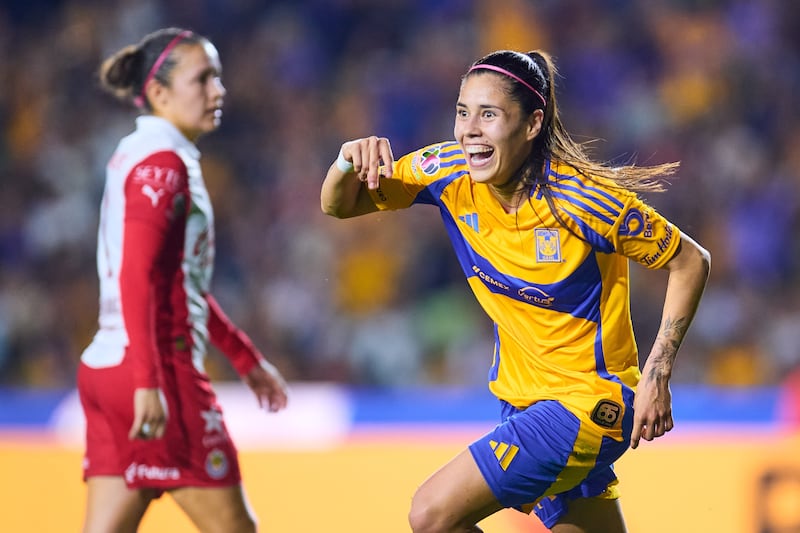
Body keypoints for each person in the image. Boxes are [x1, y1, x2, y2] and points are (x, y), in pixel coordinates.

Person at [321, 49, 710, 532]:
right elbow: (340, 205)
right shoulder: (446, 172)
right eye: (463, 112)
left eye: (489, 115)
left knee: (432, 514)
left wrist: (657, 373)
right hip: (525, 403)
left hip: (586, 405)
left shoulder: (583, 201)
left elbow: (690, 260)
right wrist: (345, 161)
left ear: (531, 124)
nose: (469, 130)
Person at [78, 27, 289, 533]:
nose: (219, 91)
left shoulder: (135, 151)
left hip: (106, 368)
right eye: (203, 79)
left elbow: (174, 280)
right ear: (159, 92)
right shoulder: (164, 164)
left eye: (218, 77)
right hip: (156, 371)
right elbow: (137, 274)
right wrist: (148, 383)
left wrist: (243, 357)